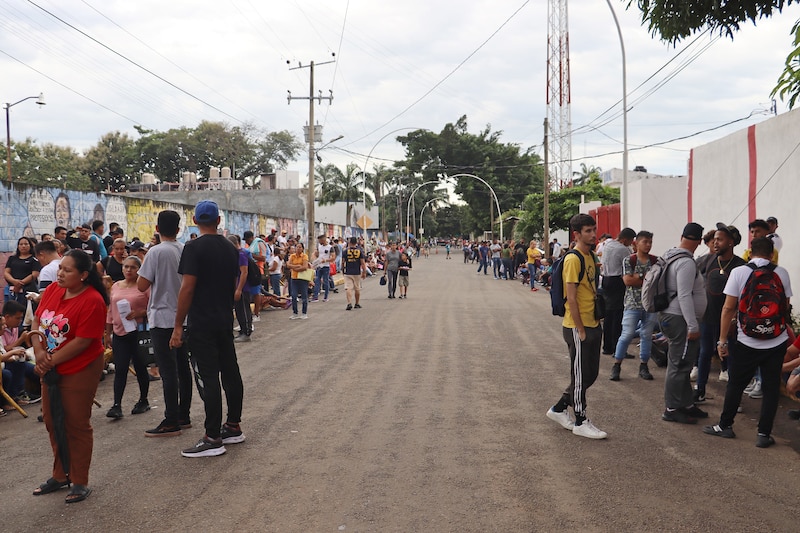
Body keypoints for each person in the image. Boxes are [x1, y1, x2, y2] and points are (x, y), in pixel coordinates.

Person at [31, 249, 109, 503]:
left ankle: (79, 480)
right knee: (53, 420)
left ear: (84, 275)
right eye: (60, 268)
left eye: (67, 270)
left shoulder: (93, 300)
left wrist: (47, 360)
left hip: (80, 368)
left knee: (76, 423)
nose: (60, 273)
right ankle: (60, 474)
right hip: (50, 364)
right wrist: (39, 351)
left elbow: (84, 341)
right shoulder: (53, 290)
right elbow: (36, 323)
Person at [169, 201, 244, 457]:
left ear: (193, 219)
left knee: (207, 376)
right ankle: (232, 425)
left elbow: (187, 288)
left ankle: (213, 437)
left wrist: (178, 325)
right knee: (230, 371)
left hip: (201, 322)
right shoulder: (230, 247)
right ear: (219, 220)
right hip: (223, 319)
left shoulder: (193, 247)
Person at [703, 237, 792, 447]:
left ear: (750, 253)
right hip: (776, 340)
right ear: (772, 254)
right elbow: (785, 307)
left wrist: (722, 340)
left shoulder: (739, 272)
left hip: (746, 340)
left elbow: (728, 308)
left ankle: (725, 426)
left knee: (736, 384)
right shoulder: (782, 273)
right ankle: (763, 434)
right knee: (770, 388)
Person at [546, 213, 607, 439]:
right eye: (588, 231)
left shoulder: (590, 255)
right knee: (580, 375)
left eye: (594, 230)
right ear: (577, 234)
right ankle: (581, 420)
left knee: (590, 374)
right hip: (577, 326)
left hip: (592, 323)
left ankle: (560, 408)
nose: (593, 234)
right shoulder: (573, 259)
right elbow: (571, 298)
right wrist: (580, 329)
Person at [138, 210, 193, 438]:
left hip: (162, 317)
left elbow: (142, 285)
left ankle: (171, 420)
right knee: (182, 366)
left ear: (157, 229)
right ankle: (183, 414)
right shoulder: (184, 249)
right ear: (179, 229)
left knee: (167, 369)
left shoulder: (155, 252)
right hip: (184, 316)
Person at [659, 223, 708, 424]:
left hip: (670, 316)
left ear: (682, 236)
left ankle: (686, 403)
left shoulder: (670, 255)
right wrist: (692, 325)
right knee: (679, 364)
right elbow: (684, 295)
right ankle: (671, 408)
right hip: (680, 318)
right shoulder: (686, 263)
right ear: (698, 241)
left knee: (683, 362)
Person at [695, 224, 745, 401]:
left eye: (720, 239)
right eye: (714, 239)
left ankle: (734, 399)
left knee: (732, 358)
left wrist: (736, 317)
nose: (715, 243)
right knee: (705, 353)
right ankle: (699, 390)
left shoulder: (741, 266)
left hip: (731, 321)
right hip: (708, 317)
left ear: (730, 242)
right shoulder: (706, 261)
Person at [104, 256, 151, 420]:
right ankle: (117, 404)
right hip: (119, 332)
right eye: (126, 267)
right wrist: (107, 332)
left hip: (138, 332)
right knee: (121, 368)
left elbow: (153, 307)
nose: (129, 270)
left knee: (140, 367)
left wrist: (140, 313)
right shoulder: (116, 286)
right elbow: (110, 310)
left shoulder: (144, 287)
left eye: (133, 267)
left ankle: (143, 400)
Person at [609, 231, 657, 382]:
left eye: (650, 242)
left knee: (646, 335)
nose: (648, 245)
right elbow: (628, 281)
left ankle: (644, 365)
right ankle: (617, 364)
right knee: (627, 334)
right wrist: (647, 278)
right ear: (637, 243)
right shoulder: (630, 260)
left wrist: (639, 278)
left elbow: (657, 281)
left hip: (649, 305)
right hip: (632, 304)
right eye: (645, 242)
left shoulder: (655, 261)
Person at [601, 228, 636, 355]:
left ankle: (607, 346)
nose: (631, 244)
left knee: (609, 315)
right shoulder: (623, 249)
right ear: (625, 239)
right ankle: (617, 347)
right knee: (618, 316)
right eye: (631, 241)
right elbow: (631, 265)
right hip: (617, 281)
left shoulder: (607, 245)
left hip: (606, 279)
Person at [227, 235, 252, 343]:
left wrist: (239, 288)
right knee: (239, 310)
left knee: (244, 309)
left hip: (243, 287)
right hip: (237, 287)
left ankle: (246, 332)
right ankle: (242, 330)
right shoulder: (236, 254)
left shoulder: (241, 255)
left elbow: (244, 272)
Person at [5, 236, 41, 306]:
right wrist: (14, 281)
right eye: (21, 244)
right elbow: (6, 272)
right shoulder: (12, 258)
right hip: (13, 289)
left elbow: (34, 274)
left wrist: (20, 283)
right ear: (18, 246)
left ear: (30, 246)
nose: (23, 246)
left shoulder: (34, 259)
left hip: (28, 290)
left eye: (26, 244)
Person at [287, 242, 312, 319]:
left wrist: (294, 268)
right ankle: (295, 313)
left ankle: (304, 313)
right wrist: (297, 266)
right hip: (294, 278)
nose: (298, 248)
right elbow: (288, 265)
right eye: (297, 247)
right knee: (294, 296)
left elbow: (304, 267)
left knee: (304, 296)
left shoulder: (305, 256)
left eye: (300, 247)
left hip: (303, 278)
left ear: (302, 248)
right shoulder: (292, 256)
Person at [343, 237, 366, 310]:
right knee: (357, 288)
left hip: (348, 272)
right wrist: (364, 272)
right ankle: (357, 303)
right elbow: (362, 263)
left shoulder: (345, 251)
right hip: (357, 272)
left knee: (348, 288)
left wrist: (343, 270)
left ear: (349, 242)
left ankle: (349, 303)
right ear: (356, 243)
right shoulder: (359, 251)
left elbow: (343, 262)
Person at [312, 234, 334, 302]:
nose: (319, 242)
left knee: (325, 281)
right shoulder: (319, 246)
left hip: (326, 266)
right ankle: (315, 297)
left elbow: (333, 258)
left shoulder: (330, 247)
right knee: (317, 281)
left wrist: (326, 260)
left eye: (320, 240)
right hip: (319, 266)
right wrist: (315, 260)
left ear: (323, 240)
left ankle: (326, 297)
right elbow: (316, 254)